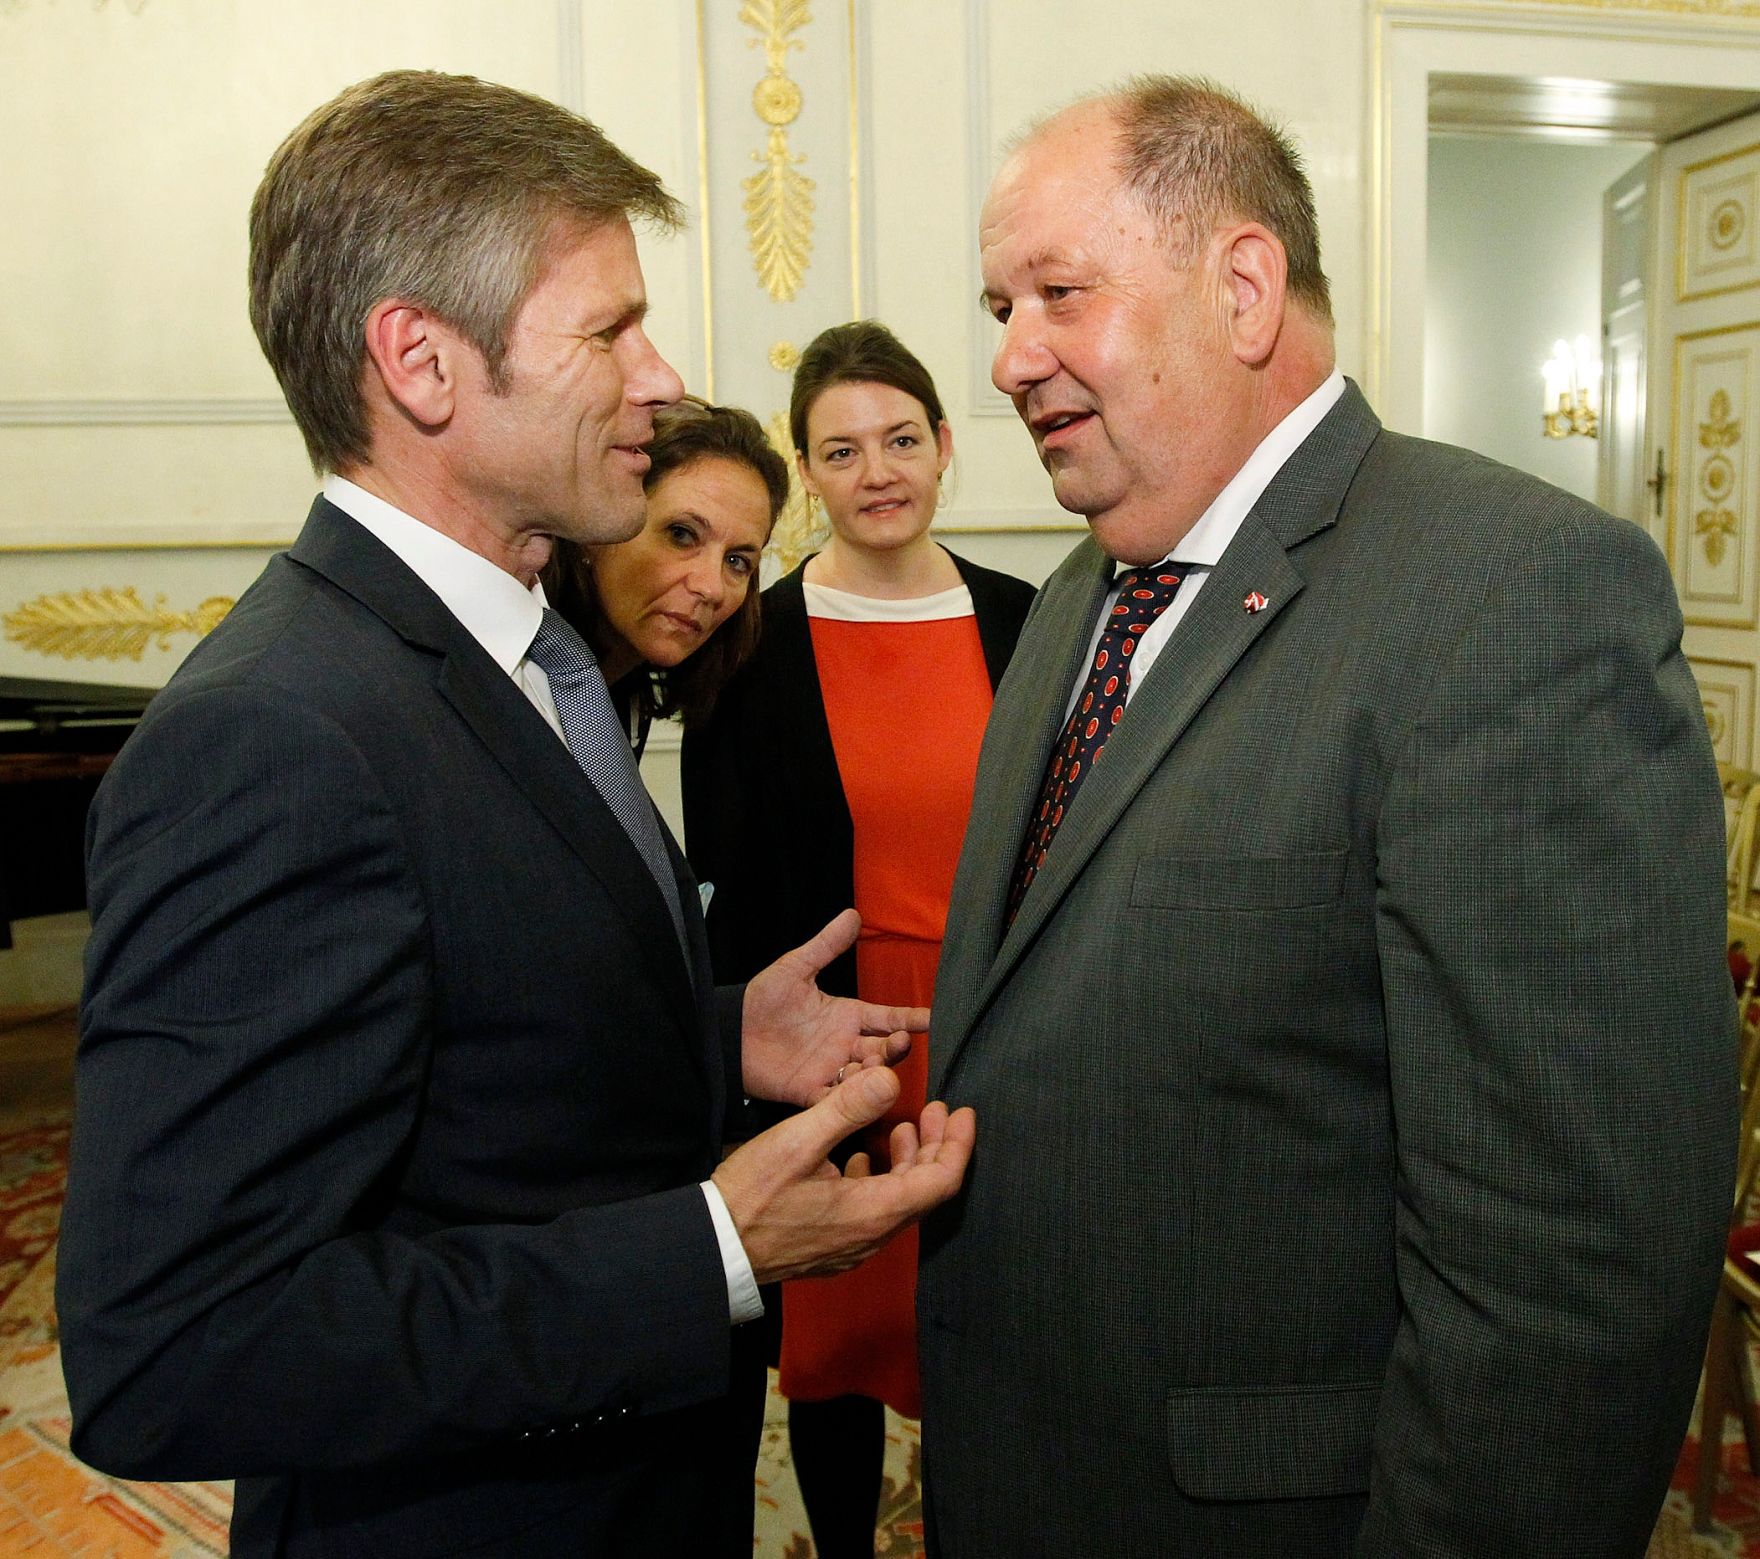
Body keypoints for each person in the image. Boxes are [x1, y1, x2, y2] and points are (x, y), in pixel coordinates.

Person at [54, 69, 974, 1559]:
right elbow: (178, 1343)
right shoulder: (274, 733)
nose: (661, 377)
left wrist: (715, 1030)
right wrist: (713, 1245)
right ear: (421, 361)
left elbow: (474, 1030)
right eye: (610, 330)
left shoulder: (516, 655)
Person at [914, 75, 1735, 1558]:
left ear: (1241, 288)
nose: (1009, 357)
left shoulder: (1511, 595)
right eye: (998, 307)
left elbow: (1569, 1269)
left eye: (1057, 293)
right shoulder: (1074, 601)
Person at [684, 320, 1034, 1558]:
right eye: (840, 451)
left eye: (898, 439)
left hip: (993, 1028)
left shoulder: (1026, 619)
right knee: (832, 1340)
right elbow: (722, 873)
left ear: (941, 444)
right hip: (833, 1042)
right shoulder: (749, 639)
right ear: (806, 474)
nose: (876, 471)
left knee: (987, 1330)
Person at [544, 395, 788, 756]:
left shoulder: (621, 695)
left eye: (737, 561)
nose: (711, 588)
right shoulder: (513, 683)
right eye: (681, 535)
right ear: (598, 528)